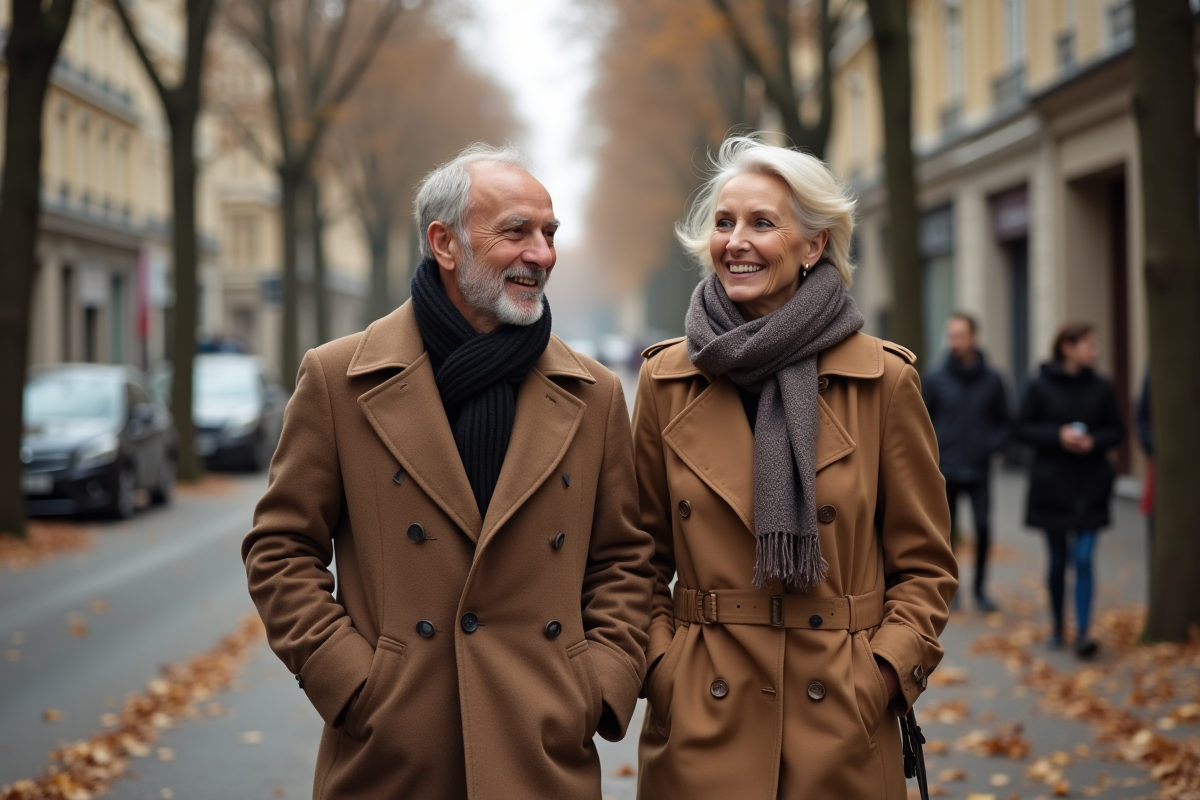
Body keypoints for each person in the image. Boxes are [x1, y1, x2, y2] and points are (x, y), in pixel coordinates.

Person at [242, 144, 655, 799]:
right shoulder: (339, 378)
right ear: (445, 243)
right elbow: (280, 548)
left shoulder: (594, 392)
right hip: (393, 755)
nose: (542, 254)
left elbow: (624, 560)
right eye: (516, 232)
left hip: (541, 751)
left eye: (549, 234)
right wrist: (350, 681)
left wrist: (596, 687)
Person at [634, 135, 958, 799]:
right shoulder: (666, 379)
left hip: (841, 720)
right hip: (703, 717)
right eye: (724, 223)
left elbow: (926, 566)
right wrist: (664, 666)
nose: (736, 242)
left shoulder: (883, 380)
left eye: (761, 223)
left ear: (813, 244)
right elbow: (633, 557)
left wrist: (883, 674)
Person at [1016, 322, 1124, 659]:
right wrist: (1058, 436)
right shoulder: (1039, 384)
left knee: (1084, 559)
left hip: (1091, 486)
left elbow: (1117, 430)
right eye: (1089, 345)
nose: (1095, 351)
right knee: (1058, 560)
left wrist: (1093, 441)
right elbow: (1021, 428)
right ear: (1068, 348)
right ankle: (1057, 626)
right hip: (1053, 487)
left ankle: (1083, 632)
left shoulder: (1102, 387)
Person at [922, 313, 1010, 612]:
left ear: (974, 337)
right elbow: (922, 422)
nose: (954, 341)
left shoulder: (993, 379)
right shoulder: (935, 378)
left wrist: (991, 447)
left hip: (979, 468)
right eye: (951, 335)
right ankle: (951, 587)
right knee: (947, 532)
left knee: (983, 527)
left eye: (960, 335)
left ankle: (981, 589)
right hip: (945, 469)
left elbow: (1005, 422)